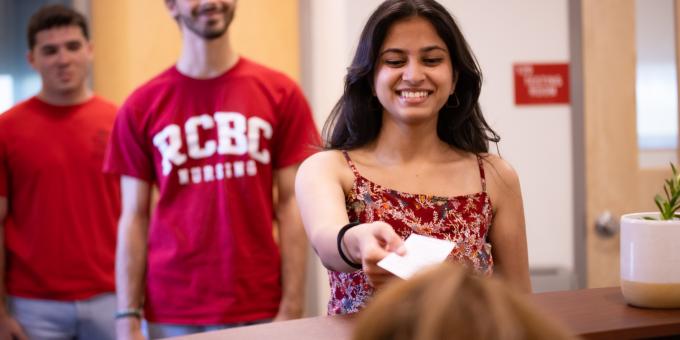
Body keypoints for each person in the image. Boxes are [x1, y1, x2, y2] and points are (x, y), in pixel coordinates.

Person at [296, 0, 531, 315]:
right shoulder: (329, 169)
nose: (413, 74)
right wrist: (360, 241)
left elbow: (520, 303)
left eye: (431, 59)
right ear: (370, 78)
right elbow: (328, 242)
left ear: (455, 77)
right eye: (394, 61)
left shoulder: (495, 176)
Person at [103, 0, 320, 338]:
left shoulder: (281, 93)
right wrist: (126, 314)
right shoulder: (140, 105)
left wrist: (292, 306)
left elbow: (291, 205)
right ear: (172, 5)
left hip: (259, 303)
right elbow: (134, 216)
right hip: (173, 307)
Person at [0, 4, 120, 340]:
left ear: (90, 50)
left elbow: (142, 215)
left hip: (112, 298)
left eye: (72, 46)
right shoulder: (6, 130)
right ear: (32, 60)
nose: (63, 59)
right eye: (50, 50)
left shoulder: (120, 122)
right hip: (33, 306)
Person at [352, 263, 576, 340]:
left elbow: (520, 291)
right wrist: (355, 241)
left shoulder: (493, 176)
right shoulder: (333, 168)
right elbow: (329, 237)